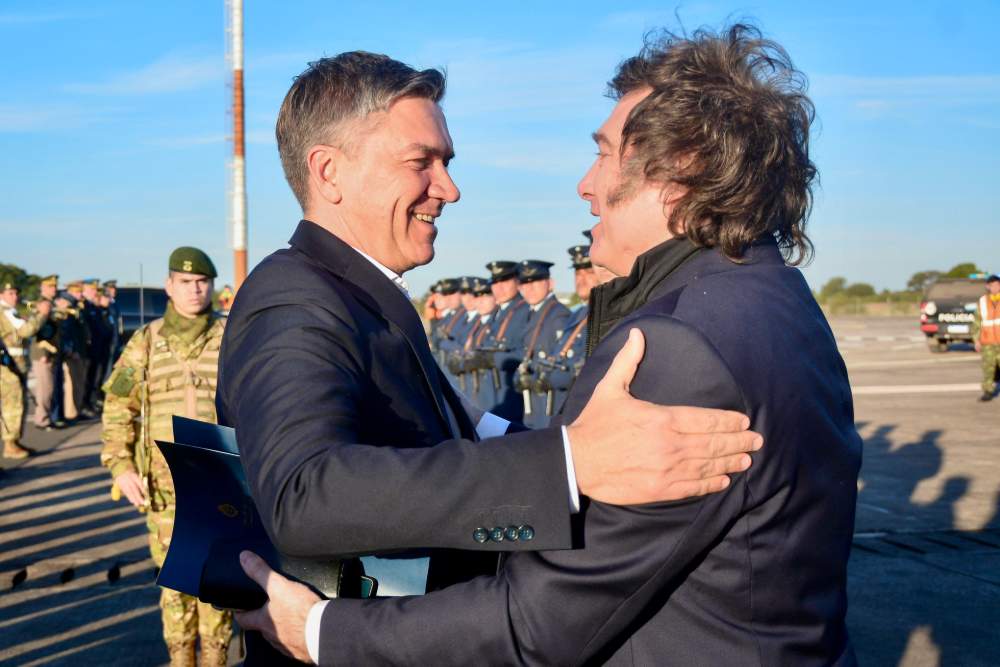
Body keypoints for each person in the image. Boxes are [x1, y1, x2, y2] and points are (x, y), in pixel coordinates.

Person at [240, 26, 862, 666]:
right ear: (329, 171)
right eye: (421, 161)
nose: (585, 184)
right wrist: (558, 457)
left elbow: (540, 620)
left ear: (679, 174)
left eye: (604, 154)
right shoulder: (770, 296)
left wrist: (321, 632)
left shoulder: (681, 346)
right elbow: (304, 492)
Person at [100, 248, 233, 666]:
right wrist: (120, 466)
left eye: (202, 282)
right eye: (185, 282)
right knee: (176, 583)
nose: (195, 290)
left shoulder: (231, 338)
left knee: (217, 584)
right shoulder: (146, 342)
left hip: (221, 486)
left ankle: (215, 658)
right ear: (169, 286)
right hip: (166, 489)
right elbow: (118, 407)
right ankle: (180, 658)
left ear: (212, 286)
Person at [531, 245, 597, 418]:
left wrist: (551, 376)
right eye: (578, 273)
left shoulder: (600, 315)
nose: (581, 280)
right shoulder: (578, 314)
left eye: (589, 272)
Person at [513, 260, 571, 427]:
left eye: (536, 282)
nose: (529, 288)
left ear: (550, 283)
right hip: (533, 406)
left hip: (550, 406)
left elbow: (562, 366)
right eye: (524, 284)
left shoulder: (558, 316)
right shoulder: (530, 314)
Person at [1, 281, 51, 458]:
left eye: (16, 293)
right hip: (8, 366)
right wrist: (42, 314)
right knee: (13, 405)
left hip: (17, 364)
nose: (15, 297)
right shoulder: (5, 312)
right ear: (1, 295)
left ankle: (14, 441)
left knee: (19, 403)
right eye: (10, 293)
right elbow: (26, 331)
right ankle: (10, 444)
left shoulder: (11, 311)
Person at [480, 260, 530, 419]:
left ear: (517, 281)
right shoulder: (498, 312)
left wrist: (493, 358)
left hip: (514, 397)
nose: (499, 288)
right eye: (495, 282)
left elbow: (526, 352)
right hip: (494, 394)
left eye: (505, 281)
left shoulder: (525, 310)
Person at [30, 275, 62, 430]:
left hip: (51, 351)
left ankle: (46, 417)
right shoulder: (42, 304)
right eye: (50, 286)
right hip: (43, 353)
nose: (54, 289)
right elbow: (39, 330)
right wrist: (44, 353)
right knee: (45, 388)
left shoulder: (51, 303)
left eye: (55, 286)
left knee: (49, 388)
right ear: (42, 288)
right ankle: (41, 420)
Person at [974, 274, 1000, 402]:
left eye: (997, 285)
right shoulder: (982, 301)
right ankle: (988, 391)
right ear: (987, 286)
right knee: (988, 368)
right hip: (988, 342)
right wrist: (976, 340)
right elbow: (976, 322)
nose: (994, 287)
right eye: (992, 285)